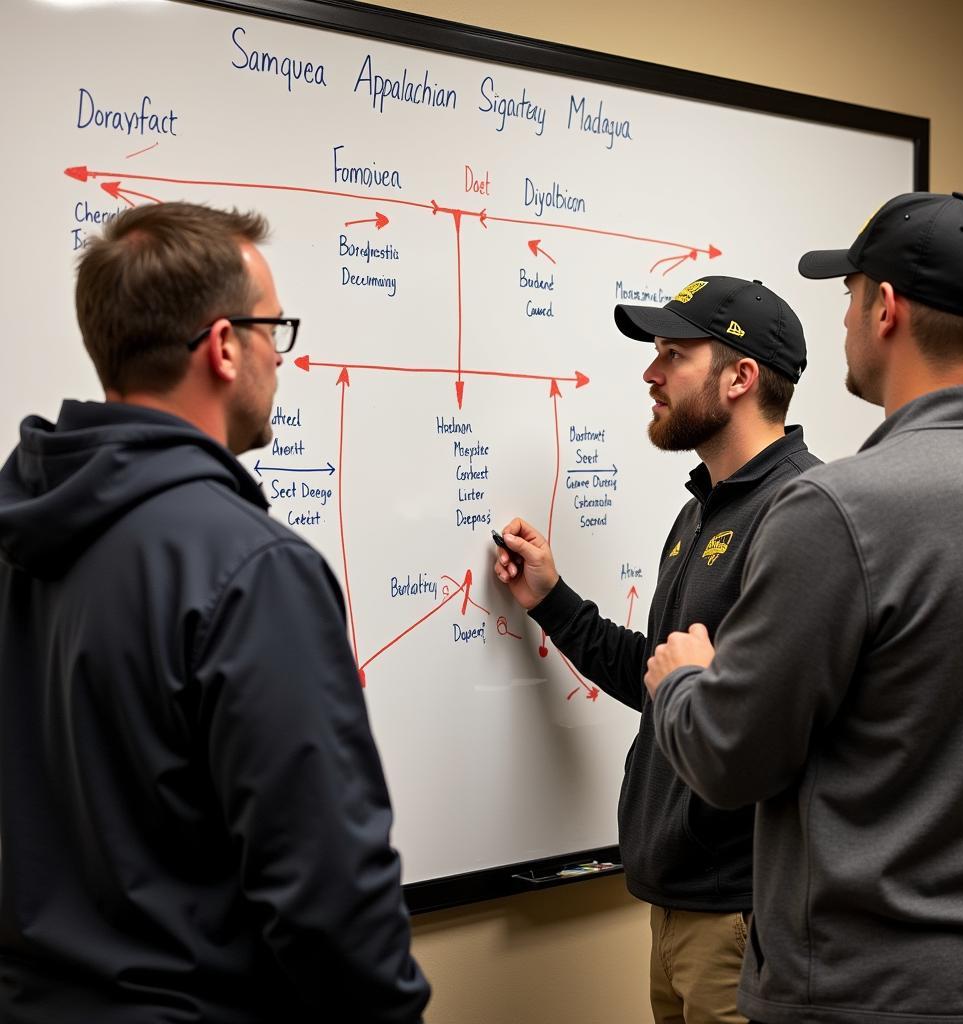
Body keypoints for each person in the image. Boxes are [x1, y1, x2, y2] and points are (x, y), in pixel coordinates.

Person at [0, 202, 430, 1023]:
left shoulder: (18, 536)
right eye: (275, 330)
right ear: (225, 346)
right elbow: (327, 893)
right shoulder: (250, 569)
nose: (282, 358)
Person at [645, 192, 963, 1024]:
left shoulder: (839, 509)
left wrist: (684, 681)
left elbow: (731, 757)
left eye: (848, 295)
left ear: (883, 309)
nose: (845, 320)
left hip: (861, 990)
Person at [493, 276, 820, 1024]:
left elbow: (771, 729)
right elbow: (662, 683)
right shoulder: (699, 508)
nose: (650, 373)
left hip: (740, 919)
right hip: (674, 909)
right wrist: (552, 600)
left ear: (740, 377)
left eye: (673, 354)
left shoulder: (803, 516)